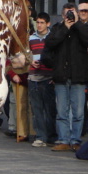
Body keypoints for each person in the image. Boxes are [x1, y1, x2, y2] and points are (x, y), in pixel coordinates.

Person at [45, 3, 88, 151]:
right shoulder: (57, 28)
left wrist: (77, 24)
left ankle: (75, 140)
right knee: (61, 111)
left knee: (78, 112)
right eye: (67, 13)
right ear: (62, 15)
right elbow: (50, 43)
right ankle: (63, 140)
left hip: (78, 76)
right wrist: (65, 28)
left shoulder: (82, 28)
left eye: (72, 13)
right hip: (61, 76)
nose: (69, 16)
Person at [28, 12, 57, 147]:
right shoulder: (31, 38)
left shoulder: (52, 38)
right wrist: (30, 62)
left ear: (48, 24)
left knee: (50, 109)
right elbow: (26, 55)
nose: (39, 25)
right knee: (37, 109)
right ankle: (40, 136)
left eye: (42, 23)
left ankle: (51, 135)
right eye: (37, 22)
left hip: (48, 76)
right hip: (34, 76)